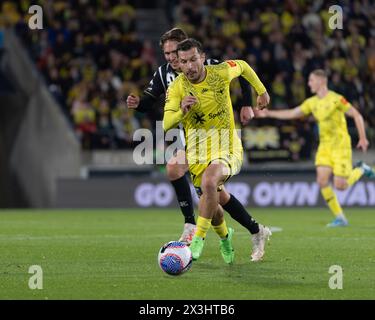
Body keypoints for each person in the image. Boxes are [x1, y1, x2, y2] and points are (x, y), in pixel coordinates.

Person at [126, 28, 260, 246]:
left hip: (217, 140)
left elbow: (241, 73)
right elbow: (149, 101)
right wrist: (138, 104)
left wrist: (246, 103)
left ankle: (242, 231)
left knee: (215, 196)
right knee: (200, 187)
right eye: (167, 54)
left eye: (173, 52)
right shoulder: (164, 73)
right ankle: (195, 224)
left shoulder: (209, 65)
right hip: (190, 141)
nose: (171, 58)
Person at [163, 38, 272, 263]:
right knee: (215, 205)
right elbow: (166, 123)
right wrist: (181, 111)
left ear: (202, 58)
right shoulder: (177, 88)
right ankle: (245, 233)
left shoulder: (220, 73)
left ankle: (196, 242)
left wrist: (260, 92)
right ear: (179, 64)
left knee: (210, 181)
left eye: (194, 59)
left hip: (227, 145)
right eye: (184, 61)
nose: (190, 66)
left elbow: (242, 66)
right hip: (197, 152)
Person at [255, 69, 375, 227]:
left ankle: (361, 169)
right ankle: (340, 217)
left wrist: (363, 138)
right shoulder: (312, 102)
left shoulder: (337, 99)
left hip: (340, 146)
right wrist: (269, 114)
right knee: (322, 180)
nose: (309, 83)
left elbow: (357, 115)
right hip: (325, 146)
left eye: (311, 80)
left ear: (321, 81)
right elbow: (293, 113)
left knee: (341, 186)